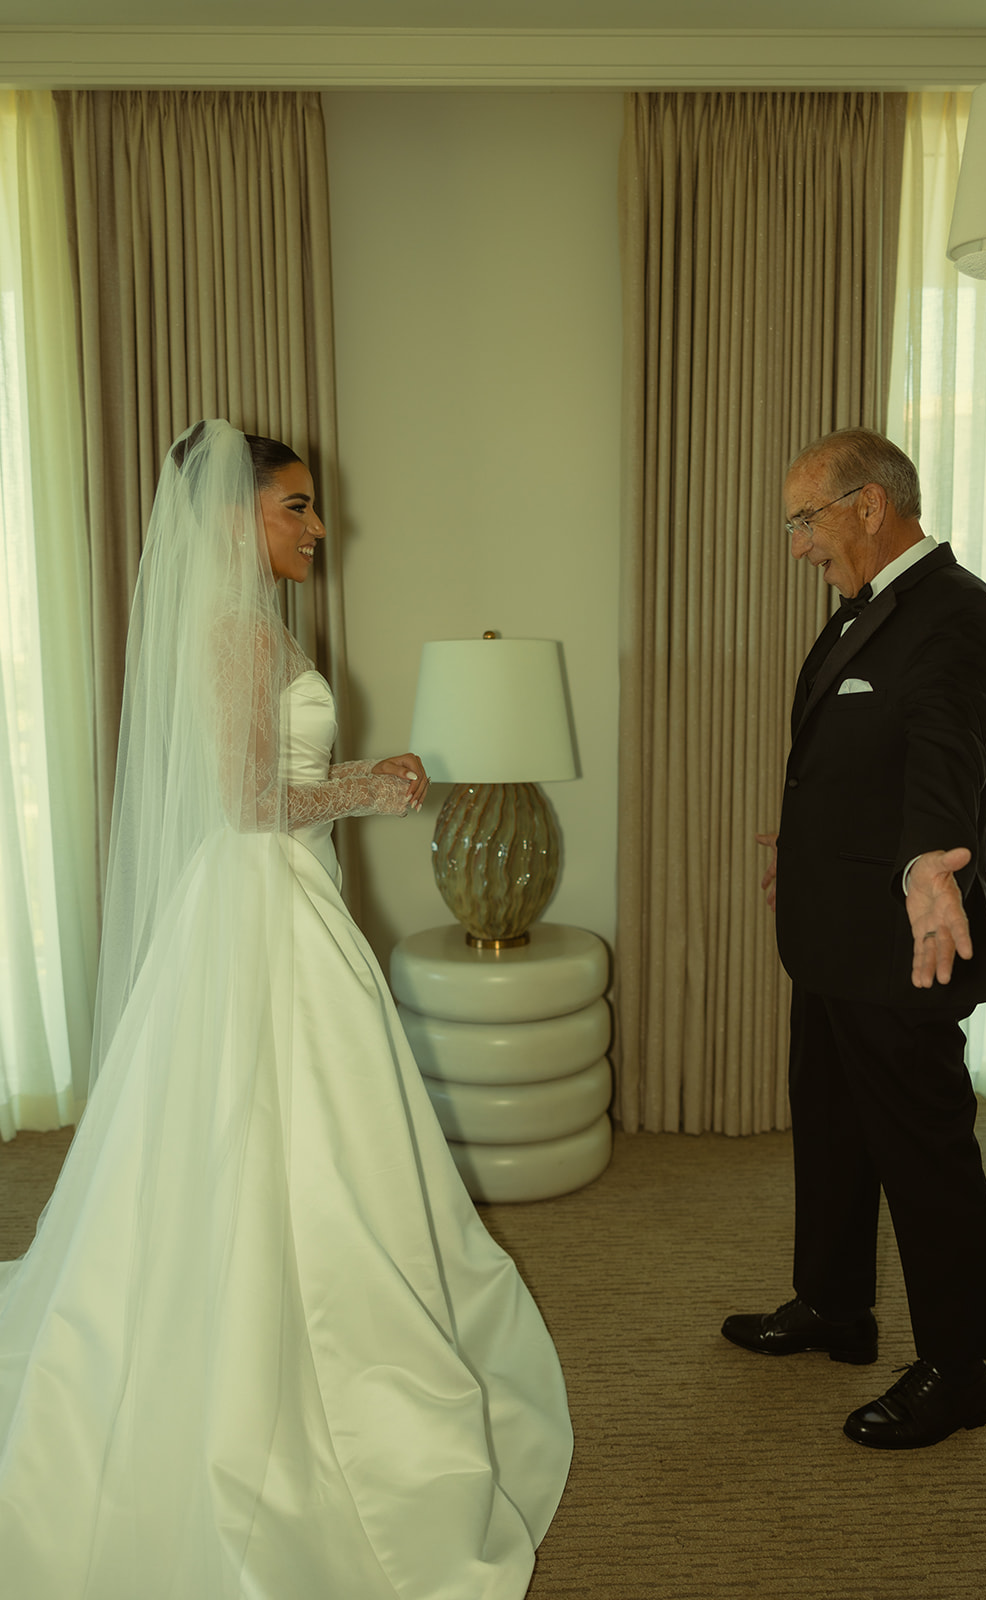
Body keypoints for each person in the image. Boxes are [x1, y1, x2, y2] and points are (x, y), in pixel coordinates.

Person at [0, 419, 571, 1596]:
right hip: (259, 902)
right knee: (289, 1130)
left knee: (288, 1133)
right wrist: (384, 781)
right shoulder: (236, 637)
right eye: (296, 507)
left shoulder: (251, 630)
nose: (319, 527)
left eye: (314, 507)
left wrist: (354, 789)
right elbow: (254, 799)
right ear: (232, 519)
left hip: (266, 903)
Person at [721, 427, 986, 1451]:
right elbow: (853, 755)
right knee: (835, 1129)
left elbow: (943, 747)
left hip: (902, 938)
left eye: (804, 519)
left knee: (921, 1149)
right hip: (830, 930)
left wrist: (930, 871)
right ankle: (833, 1304)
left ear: (865, 506)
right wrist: (800, 840)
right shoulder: (863, 610)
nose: (796, 544)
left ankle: (955, 1366)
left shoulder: (955, 615)